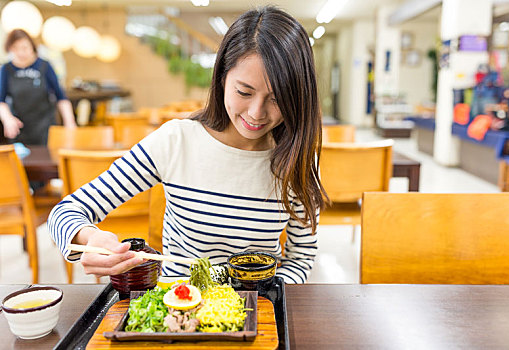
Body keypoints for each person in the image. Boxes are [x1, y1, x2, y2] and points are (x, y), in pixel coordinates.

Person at [48, 6, 327, 284]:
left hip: (256, 310)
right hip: (180, 308)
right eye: (244, 91)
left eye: (277, 99)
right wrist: (91, 237)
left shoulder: (296, 157)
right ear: (221, 78)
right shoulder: (175, 141)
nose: (256, 112)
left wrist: (270, 298)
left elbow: (300, 256)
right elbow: (64, 212)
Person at [0, 29, 76, 145]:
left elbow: (61, 98)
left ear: (32, 47)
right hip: (19, 128)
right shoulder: (6, 69)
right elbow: (1, 100)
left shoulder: (44, 66)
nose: (20, 52)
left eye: (24, 48)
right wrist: (7, 118)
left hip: (45, 127)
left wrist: (70, 123)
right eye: (15, 48)